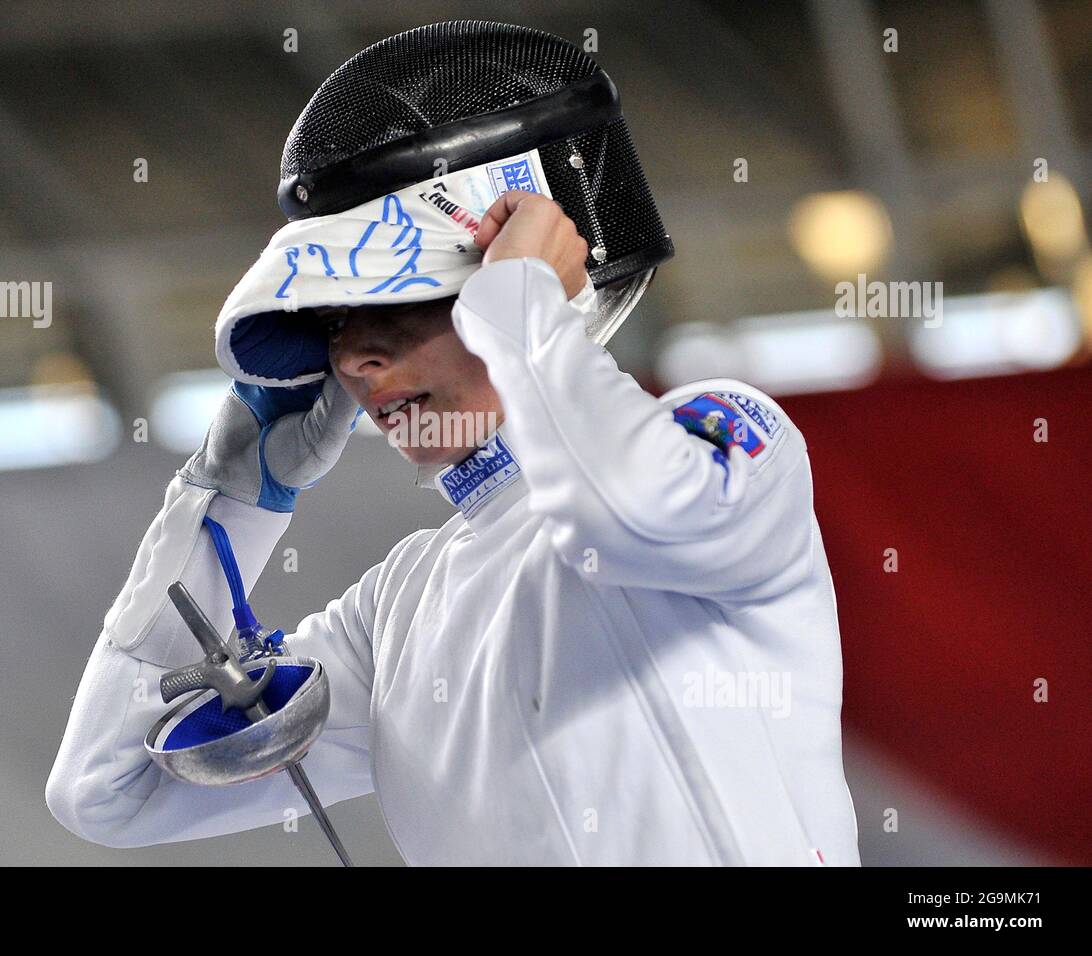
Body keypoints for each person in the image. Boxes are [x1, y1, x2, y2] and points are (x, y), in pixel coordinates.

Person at [46, 22, 860, 866]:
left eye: (403, 302)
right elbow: (108, 788)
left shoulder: (728, 436)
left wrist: (521, 300)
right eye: (333, 321)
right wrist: (232, 500)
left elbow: (623, 511)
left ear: (532, 277)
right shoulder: (396, 613)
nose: (354, 359)